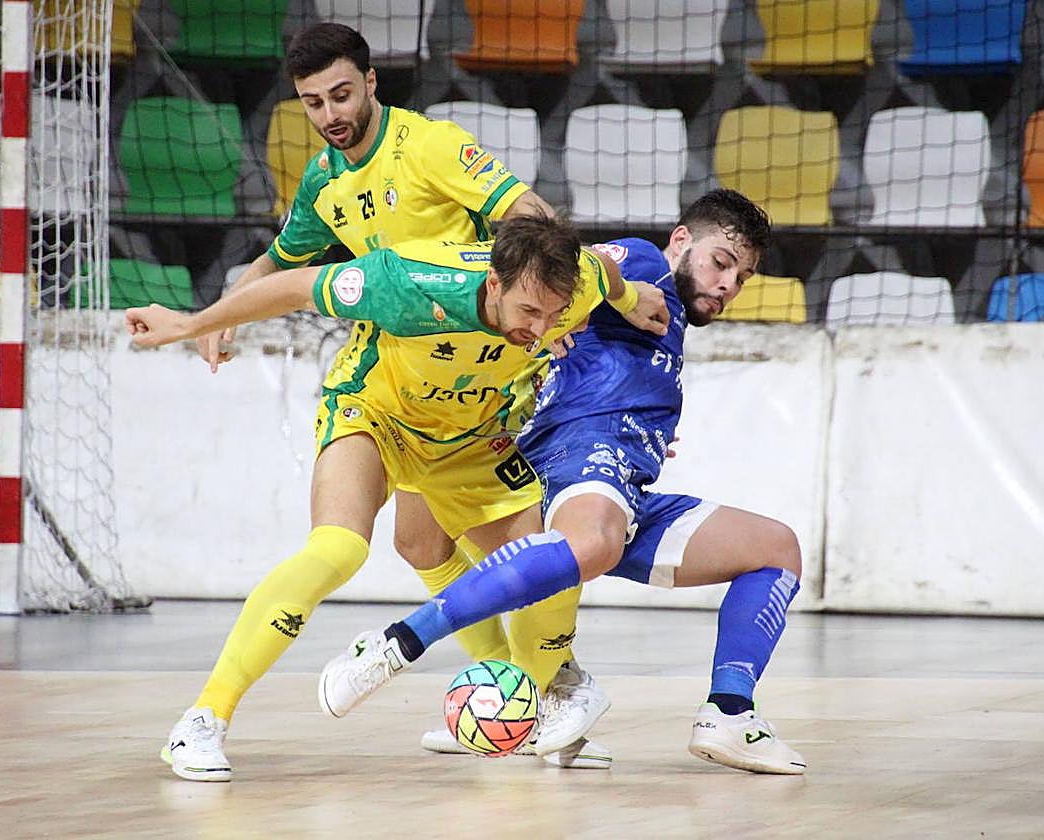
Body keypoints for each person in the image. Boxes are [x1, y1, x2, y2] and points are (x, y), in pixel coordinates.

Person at [127, 214, 670, 781]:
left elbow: (603, 272)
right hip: (375, 413)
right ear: (493, 283)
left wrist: (631, 300)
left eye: (553, 315)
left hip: (469, 437)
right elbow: (293, 286)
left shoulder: (574, 279)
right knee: (337, 550)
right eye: (528, 313)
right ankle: (203, 719)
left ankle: (524, 708)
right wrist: (189, 324)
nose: (540, 329)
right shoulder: (409, 279)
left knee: (552, 562)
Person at [319, 189, 809, 775]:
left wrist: (642, 418)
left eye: (743, 276)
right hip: (579, 459)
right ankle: (399, 644)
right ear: (680, 241)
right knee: (583, 543)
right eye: (720, 262)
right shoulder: (645, 264)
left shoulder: (663, 323)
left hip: (624, 478)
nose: (729, 284)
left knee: (776, 549)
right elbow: (566, 263)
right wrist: (557, 327)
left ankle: (727, 712)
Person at [201, 21, 580, 731]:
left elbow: (531, 217)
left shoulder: (429, 147)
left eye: (341, 95)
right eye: (312, 103)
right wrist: (223, 310)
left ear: (372, 83)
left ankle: (535, 697)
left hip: (472, 378)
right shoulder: (323, 178)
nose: (330, 116)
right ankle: (510, 702)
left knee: (485, 553)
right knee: (388, 544)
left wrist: (548, 312)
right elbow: (284, 264)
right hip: (389, 378)